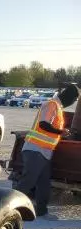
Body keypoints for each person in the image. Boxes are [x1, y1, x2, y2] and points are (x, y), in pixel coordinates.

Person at [15, 85, 79, 217]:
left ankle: (42, 211)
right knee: (28, 181)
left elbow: (50, 129)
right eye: (75, 100)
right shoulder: (51, 104)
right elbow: (43, 124)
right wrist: (60, 131)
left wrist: (61, 133)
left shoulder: (58, 108)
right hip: (35, 149)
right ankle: (8, 207)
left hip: (44, 151)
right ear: (70, 97)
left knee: (43, 183)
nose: (74, 103)